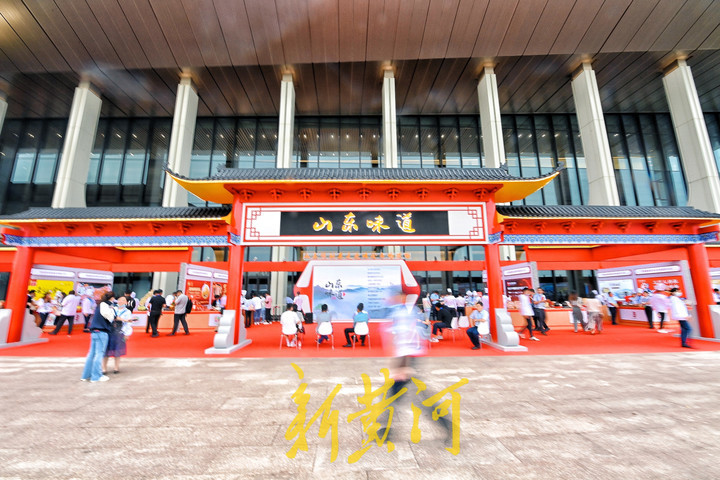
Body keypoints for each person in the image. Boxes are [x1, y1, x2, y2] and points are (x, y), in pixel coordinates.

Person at [81, 292, 115, 383]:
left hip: (94, 331)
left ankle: (86, 375)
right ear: (111, 298)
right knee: (99, 354)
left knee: (91, 353)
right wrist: (112, 310)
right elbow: (110, 317)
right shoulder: (105, 306)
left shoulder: (99, 305)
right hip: (102, 332)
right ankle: (96, 376)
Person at [103, 296, 134, 374]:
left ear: (126, 303)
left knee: (118, 351)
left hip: (120, 333)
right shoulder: (112, 309)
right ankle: (104, 368)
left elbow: (128, 324)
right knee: (106, 351)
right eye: (120, 300)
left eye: (123, 300)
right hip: (110, 332)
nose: (121, 301)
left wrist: (127, 334)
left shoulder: (127, 312)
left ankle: (116, 368)